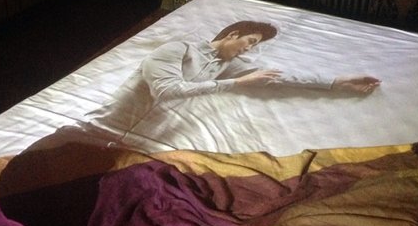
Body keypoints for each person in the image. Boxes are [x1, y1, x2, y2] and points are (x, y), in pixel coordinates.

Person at [87, 20, 380, 139]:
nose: (249, 49)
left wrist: (336, 82)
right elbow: (167, 91)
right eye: (250, 41)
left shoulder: (226, 65)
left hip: (136, 141)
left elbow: (279, 78)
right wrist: (237, 83)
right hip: (100, 126)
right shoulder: (177, 49)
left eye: (255, 46)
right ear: (232, 34)